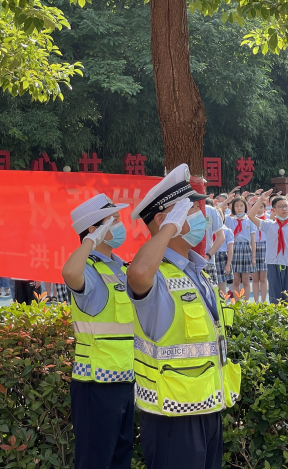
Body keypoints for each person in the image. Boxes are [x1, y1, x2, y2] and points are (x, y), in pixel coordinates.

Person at [126, 164, 241, 469]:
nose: (201, 216)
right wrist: (167, 229)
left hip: (207, 405)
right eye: (190, 210)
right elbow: (137, 273)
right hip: (172, 415)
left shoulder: (194, 270)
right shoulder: (156, 276)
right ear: (167, 220)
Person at [62, 193, 134, 469]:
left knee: (120, 459)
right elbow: (69, 273)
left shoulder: (121, 268)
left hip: (126, 378)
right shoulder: (88, 269)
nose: (119, 225)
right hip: (96, 383)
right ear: (94, 229)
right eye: (112, 221)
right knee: (95, 461)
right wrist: (90, 241)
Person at [249, 191, 288, 303]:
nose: (284, 209)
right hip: (273, 264)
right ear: (273, 210)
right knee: (275, 298)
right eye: (280, 207)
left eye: (286, 206)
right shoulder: (268, 225)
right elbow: (250, 215)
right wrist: (261, 199)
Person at [225, 197, 256, 300]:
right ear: (233, 207)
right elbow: (218, 210)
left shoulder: (250, 220)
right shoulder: (229, 219)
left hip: (246, 248)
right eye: (236, 205)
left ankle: (246, 303)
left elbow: (253, 240)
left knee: (246, 280)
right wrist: (227, 199)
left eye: (241, 205)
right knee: (236, 280)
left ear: (245, 207)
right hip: (233, 248)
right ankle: (237, 303)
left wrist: (253, 257)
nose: (239, 208)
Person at [251, 196, 269, 302]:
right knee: (255, 278)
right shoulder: (250, 220)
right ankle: (256, 301)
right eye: (257, 207)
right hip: (253, 248)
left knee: (263, 278)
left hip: (265, 247)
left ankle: (263, 301)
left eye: (261, 207)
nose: (259, 209)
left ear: (264, 209)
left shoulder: (268, 221)